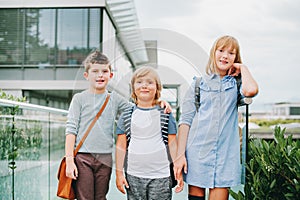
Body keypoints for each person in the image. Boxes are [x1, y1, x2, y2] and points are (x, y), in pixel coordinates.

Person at [64, 50, 171, 200]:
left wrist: (157, 102)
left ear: (110, 75)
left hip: (105, 158)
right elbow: (71, 129)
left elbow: (138, 106)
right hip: (82, 157)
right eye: (95, 71)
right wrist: (69, 160)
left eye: (104, 71)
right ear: (86, 75)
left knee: (101, 197)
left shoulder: (114, 99)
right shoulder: (79, 99)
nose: (100, 75)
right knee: (85, 197)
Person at [174, 35, 259, 200]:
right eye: (221, 50)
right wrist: (180, 156)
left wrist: (243, 68)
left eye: (231, 53)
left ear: (236, 58)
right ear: (214, 53)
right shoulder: (199, 84)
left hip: (225, 157)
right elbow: (185, 121)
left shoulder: (237, 84)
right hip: (196, 152)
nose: (225, 56)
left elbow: (251, 91)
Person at [115, 66, 184, 200]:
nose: (144, 86)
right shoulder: (126, 115)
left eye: (150, 82)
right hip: (133, 175)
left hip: (161, 176)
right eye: (139, 82)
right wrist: (119, 174)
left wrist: (178, 169)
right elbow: (120, 146)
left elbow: (173, 144)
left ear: (157, 88)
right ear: (133, 87)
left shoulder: (165, 113)